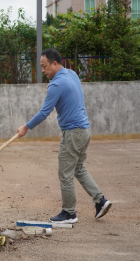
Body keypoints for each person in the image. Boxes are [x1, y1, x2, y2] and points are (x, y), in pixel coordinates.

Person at [17, 48, 112, 224]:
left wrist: (26, 127)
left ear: (55, 63)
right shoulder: (72, 74)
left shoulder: (56, 84)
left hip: (73, 132)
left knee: (65, 173)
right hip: (84, 131)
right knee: (78, 169)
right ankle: (100, 200)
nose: (43, 71)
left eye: (45, 67)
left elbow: (44, 112)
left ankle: (69, 213)